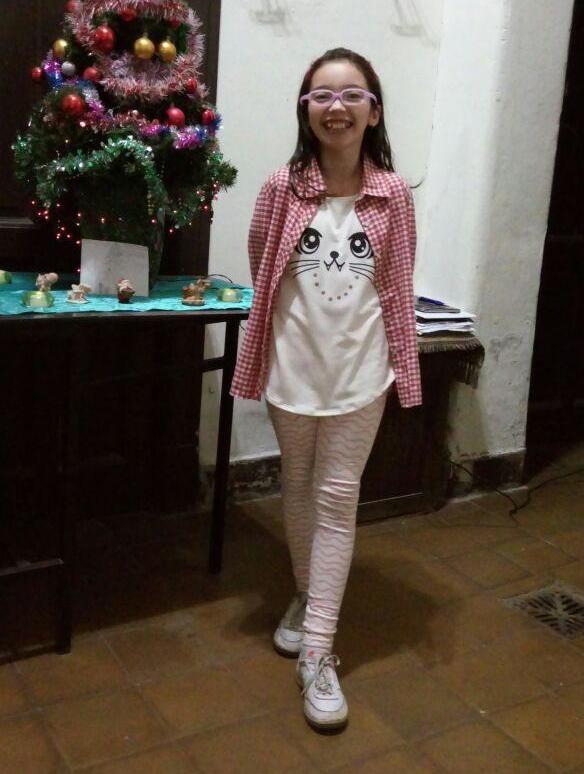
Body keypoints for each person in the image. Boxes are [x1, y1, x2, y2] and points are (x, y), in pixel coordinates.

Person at [230, 47, 422, 731]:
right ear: (305, 109)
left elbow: (397, 284)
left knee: (338, 499)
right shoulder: (280, 188)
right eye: (321, 95)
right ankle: (309, 596)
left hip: (361, 377)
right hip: (292, 373)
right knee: (298, 484)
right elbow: (264, 267)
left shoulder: (393, 195)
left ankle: (317, 649)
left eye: (351, 95)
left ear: (373, 111)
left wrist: (401, 366)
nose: (335, 107)